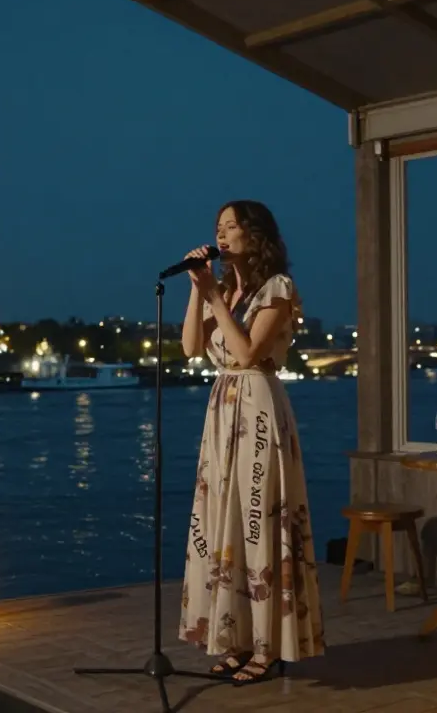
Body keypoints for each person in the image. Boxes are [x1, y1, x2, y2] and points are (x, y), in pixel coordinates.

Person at [175, 200, 325, 686]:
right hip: (222, 408)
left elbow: (247, 353)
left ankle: (268, 645)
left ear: (254, 234)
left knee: (260, 519)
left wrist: (216, 298)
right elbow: (192, 348)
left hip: (257, 405)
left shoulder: (276, 289)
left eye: (231, 227)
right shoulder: (226, 290)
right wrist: (200, 293)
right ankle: (236, 638)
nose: (221, 235)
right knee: (227, 521)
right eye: (217, 227)